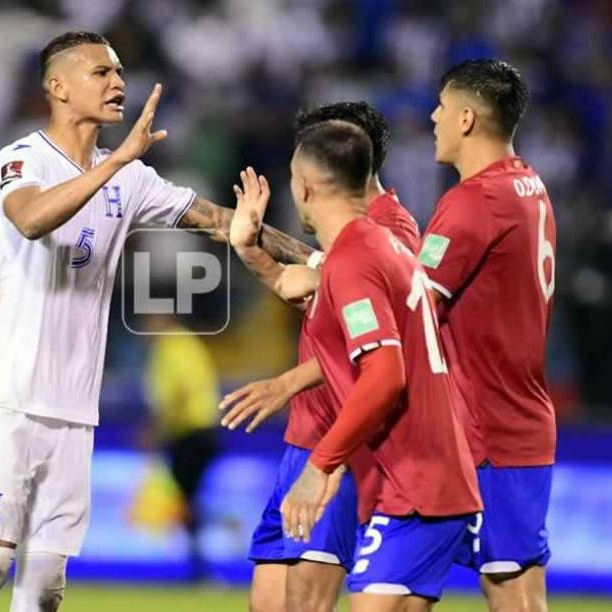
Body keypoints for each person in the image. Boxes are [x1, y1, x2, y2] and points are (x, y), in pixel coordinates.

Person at [0, 31, 313, 612]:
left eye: (118, 72)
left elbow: (218, 221)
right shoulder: (21, 158)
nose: (118, 83)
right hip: (6, 395)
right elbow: (33, 219)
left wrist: (315, 259)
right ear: (58, 88)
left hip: (73, 406)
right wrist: (116, 162)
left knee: (43, 590)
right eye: (101, 73)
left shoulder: (132, 180)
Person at [249, 120, 480, 610]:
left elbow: (385, 374)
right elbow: (307, 292)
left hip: (416, 480)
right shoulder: (378, 245)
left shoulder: (356, 258)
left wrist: (320, 465)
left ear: (304, 186)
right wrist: (255, 252)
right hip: (421, 474)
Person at [220, 101, 422, 612]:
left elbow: (384, 349)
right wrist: (249, 250)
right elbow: (300, 288)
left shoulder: (388, 233)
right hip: (301, 441)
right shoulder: (347, 238)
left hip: (341, 444)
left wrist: (288, 382)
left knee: (306, 605)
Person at [422, 59, 556, 611]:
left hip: (490, 427)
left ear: (468, 118)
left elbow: (412, 308)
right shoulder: (528, 184)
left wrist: (331, 277)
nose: (433, 117)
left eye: (442, 107)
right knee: (514, 583)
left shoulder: (473, 201)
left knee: (511, 590)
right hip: (509, 417)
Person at [143, 314, 222, 582]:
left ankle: (201, 566)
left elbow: (177, 392)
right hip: (203, 429)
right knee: (189, 499)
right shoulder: (187, 342)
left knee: (186, 501)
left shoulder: (171, 346)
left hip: (191, 432)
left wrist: (156, 430)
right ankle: (198, 563)